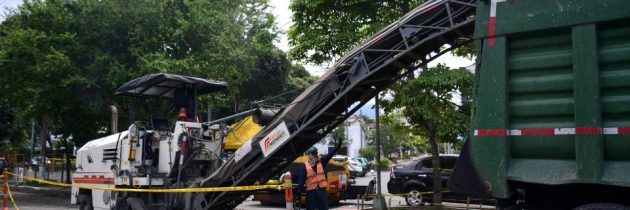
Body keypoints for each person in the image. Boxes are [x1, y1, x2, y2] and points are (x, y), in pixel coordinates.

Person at [297, 139, 342, 210]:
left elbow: (329, 155)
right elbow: (301, 180)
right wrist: (298, 194)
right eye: (314, 153)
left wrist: (337, 147)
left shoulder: (321, 162)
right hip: (311, 192)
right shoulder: (305, 166)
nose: (316, 154)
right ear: (310, 155)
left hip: (321, 191)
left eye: (316, 152)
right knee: (310, 208)